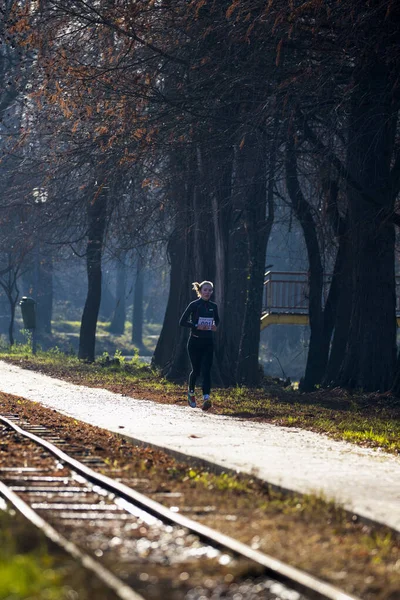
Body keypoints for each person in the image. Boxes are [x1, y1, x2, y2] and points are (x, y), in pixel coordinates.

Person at [179, 280, 220, 410]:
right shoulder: (194, 305)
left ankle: (206, 398)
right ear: (200, 291)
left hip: (208, 342)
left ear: (212, 292)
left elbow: (217, 320)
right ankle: (191, 392)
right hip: (195, 342)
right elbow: (182, 322)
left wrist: (214, 327)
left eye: (210, 290)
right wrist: (196, 325)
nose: (207, 292)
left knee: (207, 370)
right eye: (205, 290)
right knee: (196, 370)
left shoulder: (214, 306)